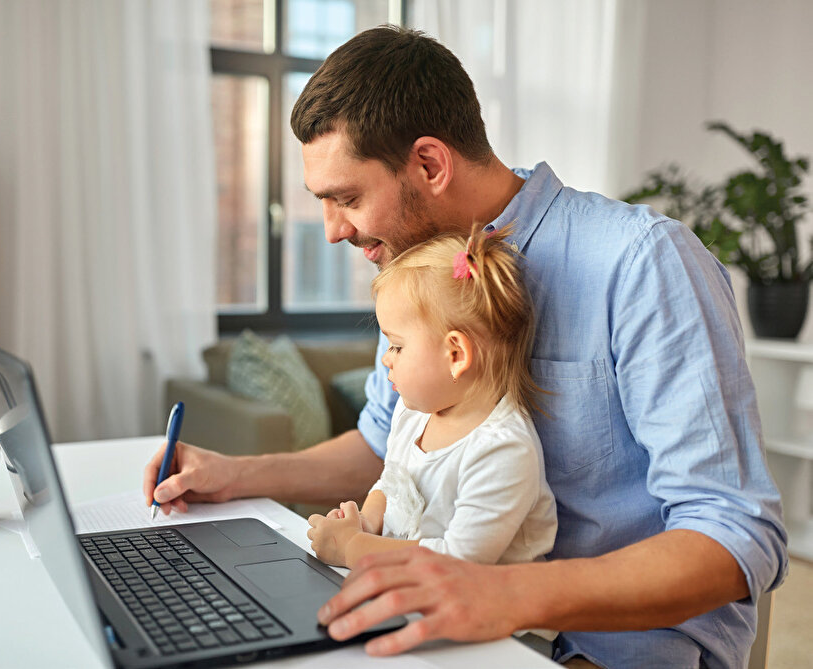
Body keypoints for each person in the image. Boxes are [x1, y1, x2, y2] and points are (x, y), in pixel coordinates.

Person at [143, 26, 787, 668]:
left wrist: (500, 594)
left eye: (347, 198)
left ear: (429, 163)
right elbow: (379, 444)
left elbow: (736, 536)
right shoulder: (419, 274)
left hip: (617, 648)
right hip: (463, 627)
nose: (334, 229)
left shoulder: (642, 262)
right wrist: (234, 476)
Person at [306, 226, 557, 592]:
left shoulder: (503, 449)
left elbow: (458, 563)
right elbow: (390, 482)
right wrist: (365, 523)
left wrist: (352, 547)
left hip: (498, 630)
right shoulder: (413, 415)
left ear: (455, 354)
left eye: (396, 346)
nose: (386, 360)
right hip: (413, 596)